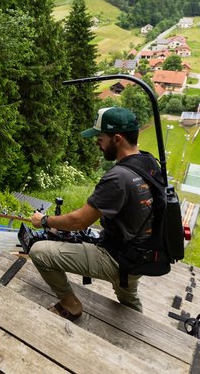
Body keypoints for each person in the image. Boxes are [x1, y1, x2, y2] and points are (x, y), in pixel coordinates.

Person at [28, 106, 161, 319]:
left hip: (117, 258)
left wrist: (43, 220)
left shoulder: (119, 177)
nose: (97, 143)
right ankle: (140, 328)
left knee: (39, 252)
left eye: (100, 138)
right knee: (127, 297)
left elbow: (79, 222)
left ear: (117, 139)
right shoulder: (149, 162)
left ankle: (71, 306)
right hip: (141, 256)